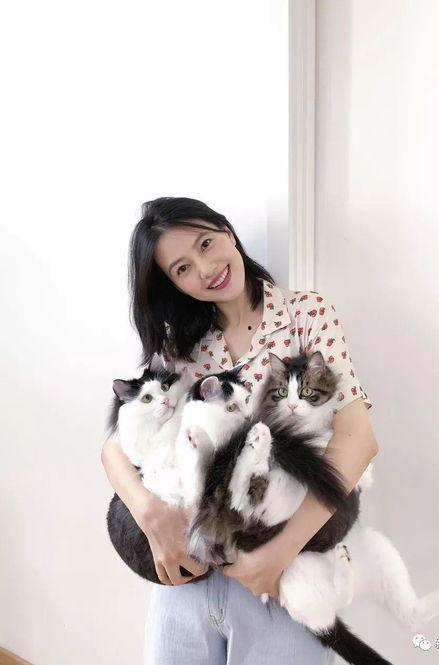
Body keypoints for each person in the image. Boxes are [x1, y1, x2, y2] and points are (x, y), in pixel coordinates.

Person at [101, 197, 378, 665]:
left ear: (226, 232)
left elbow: (358, 440)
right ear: (174, 284)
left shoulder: (306, 314)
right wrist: (149, 513)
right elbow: (115, 450)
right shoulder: (179, 346)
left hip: (282, 579)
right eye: (183, 268)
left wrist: (279, 554)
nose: (206, 269)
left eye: (206, 244)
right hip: (188, 582)